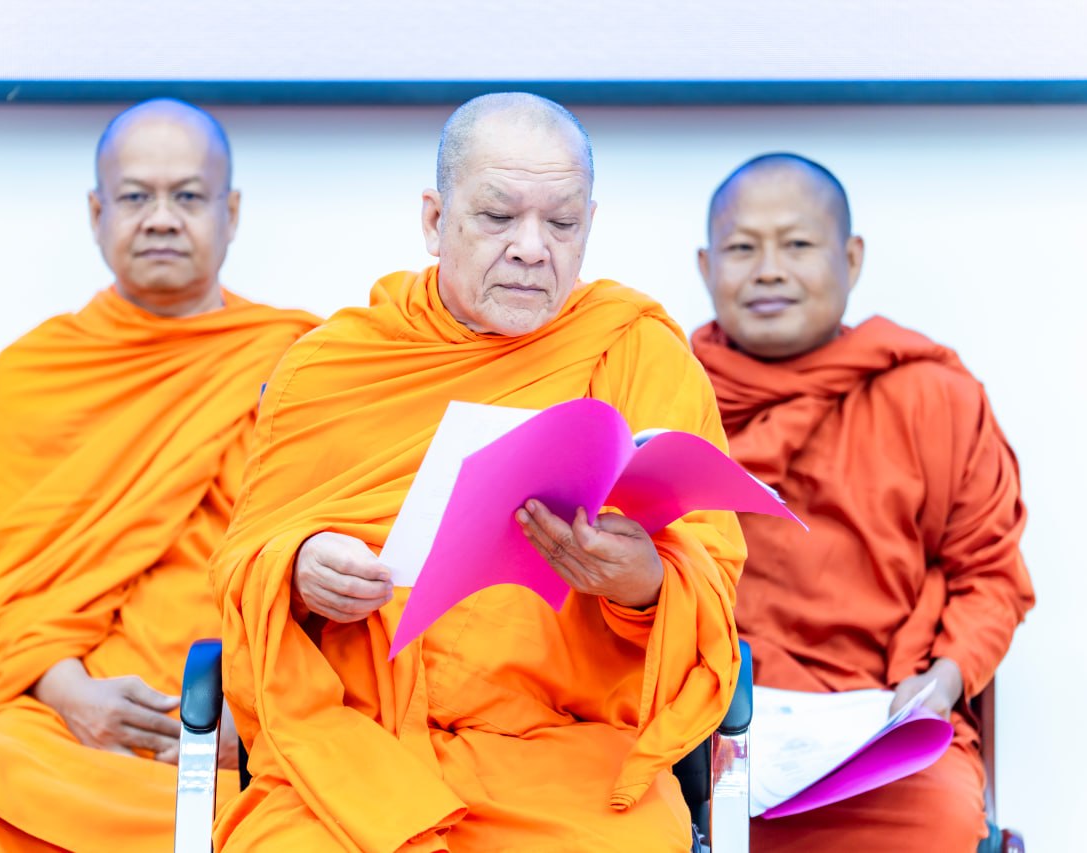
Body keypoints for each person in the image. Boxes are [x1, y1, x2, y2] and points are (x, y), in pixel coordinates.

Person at [209, 92, 746, 851]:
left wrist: (642, 580)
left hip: (566, 751)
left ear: (589, 226)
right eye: (497, 216)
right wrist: (299, 570)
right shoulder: (331, 368)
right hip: (355, 749)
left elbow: (711, 578)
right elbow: (243, 567)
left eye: (561, 224)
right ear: (435, 221)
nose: (532, 248)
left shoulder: (634, 351)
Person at [0, 98, 320, 852]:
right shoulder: (34, 375)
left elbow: (335, 570)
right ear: (97, 214)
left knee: (303, 819)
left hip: (243, 717)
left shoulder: (301, 365)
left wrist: (257, 713)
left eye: (187, 196)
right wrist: (79, 701)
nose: (161, 219)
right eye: (135, 197)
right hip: (72, 714)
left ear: (230, 213)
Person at [691, 152, 1036, 851]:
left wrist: (942, 684)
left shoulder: (935, 396)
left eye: (797, 244)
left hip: (883, 718)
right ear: (705, 267)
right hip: (708, 718)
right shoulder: (669, 391)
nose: (769, 270)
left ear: (851, 258)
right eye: (742, 248)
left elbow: (990, 576)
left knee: (941, 821)